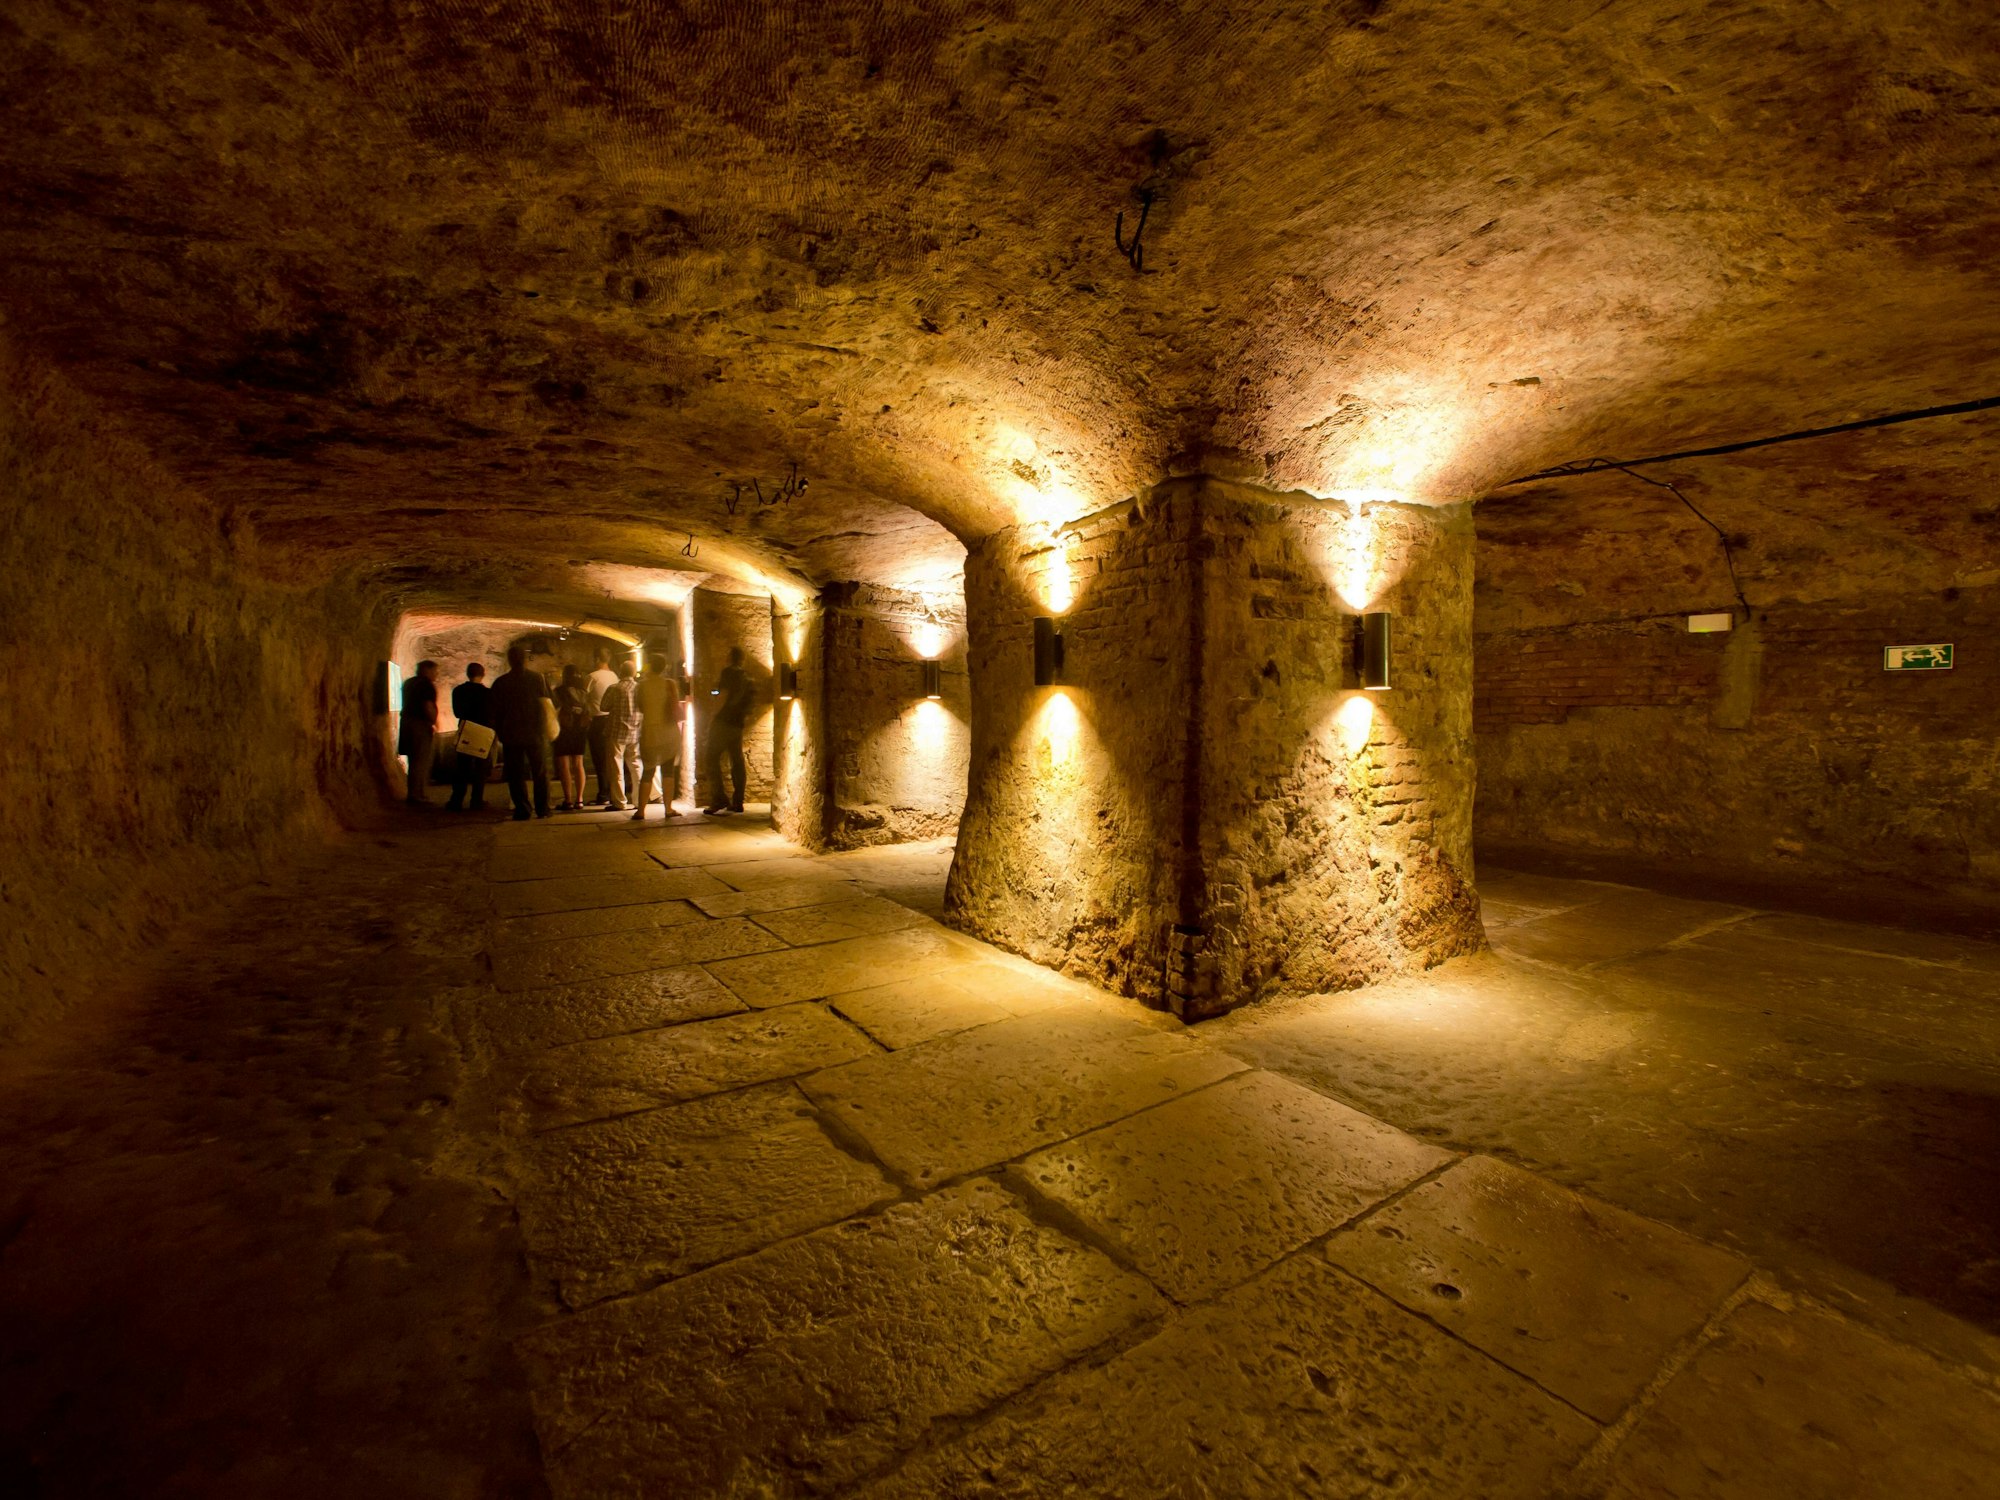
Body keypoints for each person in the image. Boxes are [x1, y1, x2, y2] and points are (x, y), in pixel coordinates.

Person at [491, 644, 552, 820]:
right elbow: (548, 703)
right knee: (540, 772)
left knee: (515, 774)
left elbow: (494, 711)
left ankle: (523, 809)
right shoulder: (537, 679)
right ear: (525, 659)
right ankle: (543, 809)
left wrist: (500, 731)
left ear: (509, 660)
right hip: (535, 733)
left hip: (511, 734)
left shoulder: (501, 683)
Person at [702, 646, 753, 816]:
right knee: (737, 760)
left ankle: (718, 799)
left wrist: (712, 715)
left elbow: (722, 695)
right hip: (737, 724)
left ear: (730, 657)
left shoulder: (728, 672)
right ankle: (738, 802)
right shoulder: (746, 677)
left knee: (710, 757)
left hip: (723, 721)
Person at [633, 656, 682, 821]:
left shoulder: (642, 686)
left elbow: (639, 707)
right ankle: (668, 809)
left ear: (650, 667)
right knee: (668, 771)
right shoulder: (670, 684)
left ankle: (641, 811)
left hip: (650, 733)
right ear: (664, 667)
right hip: (669, 732)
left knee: (647, 772)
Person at [444, 661, 493, 812]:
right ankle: (476, 800)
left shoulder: (458, 691)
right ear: (483, 674)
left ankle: (456, 799)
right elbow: (491, 713)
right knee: (481, 767)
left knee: (462, 767)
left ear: (468, 674)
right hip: (483, 731)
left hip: (465, 729)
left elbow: (457, 713)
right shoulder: (487, 693)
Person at [598, 658, 641, 811]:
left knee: (616, 768)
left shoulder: (615, 688)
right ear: (634, 673)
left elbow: (603, 706)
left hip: (616, 731)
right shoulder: (640, 688)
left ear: (621, 672)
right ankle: (639, 801)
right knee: (636, 766)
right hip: (635, 732)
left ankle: (619, 802)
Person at [398, 659, 441, 806]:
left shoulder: (409, 683)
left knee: (413, 760)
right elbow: (427, 705)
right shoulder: (426, 685)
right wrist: (434, 721)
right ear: (427, 670)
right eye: (435, 671)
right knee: (421, 761)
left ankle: (413, 793)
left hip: (407, 723)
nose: (436, 674)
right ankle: (418, 796)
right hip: (420, 725)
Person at [552, 663, 591, 810]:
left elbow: (553, 709)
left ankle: (568, 800)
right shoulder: (584, 692)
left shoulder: (559, 691)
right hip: (580, 728)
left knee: (564, 765)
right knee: (578, 763)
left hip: (564, 728)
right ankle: (580, 799)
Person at [583, 647, 618, 806]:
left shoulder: (592, 677)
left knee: (599, 759)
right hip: (612, 719)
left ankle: (603, 793)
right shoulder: (615, 677)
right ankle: (613, 791)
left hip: (597, 720)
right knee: (612, 758)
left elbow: (582, 697)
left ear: (597, 659)